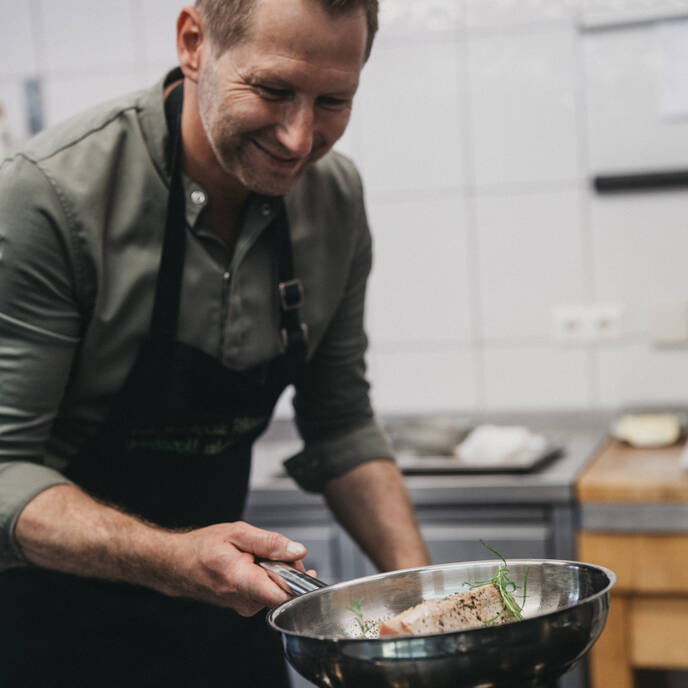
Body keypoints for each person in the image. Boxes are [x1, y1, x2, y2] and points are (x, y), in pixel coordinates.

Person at [0, 0, 430, 685]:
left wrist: (427, 606)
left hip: (222, 620)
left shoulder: (335, 199)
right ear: (194, 42)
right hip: (49, 633)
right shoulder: (50, 195)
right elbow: (3, 469)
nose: (299, 139)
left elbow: (341, 425)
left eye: (333, 101)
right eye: (273, 90)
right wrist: (174, 559)